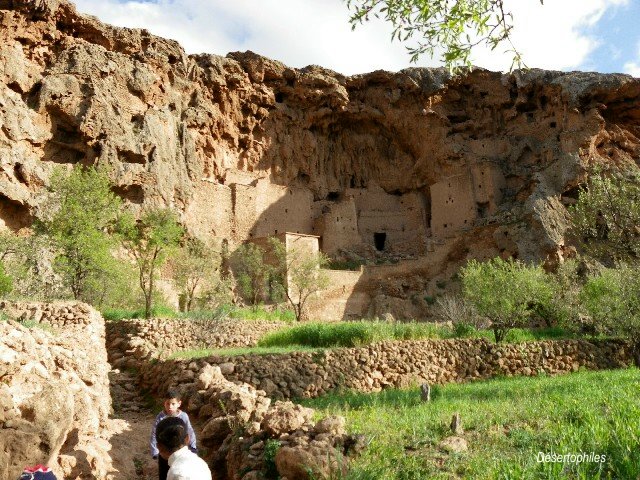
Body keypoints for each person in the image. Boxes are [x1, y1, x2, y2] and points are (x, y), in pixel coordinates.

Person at [150, 389, 197, 480]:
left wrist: (193, 447)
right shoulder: (160, 417)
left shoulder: (184, 416)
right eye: (168, 404)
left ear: (179, 403)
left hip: (179, 448)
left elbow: (190, 432)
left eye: (173, 404)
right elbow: (154, 433)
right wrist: (155, 451)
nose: (170, 407)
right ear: (164, 403)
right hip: (165, 451)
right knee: (164, 473)